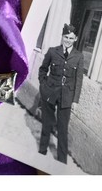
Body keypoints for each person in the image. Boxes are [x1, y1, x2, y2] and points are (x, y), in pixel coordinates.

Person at [37, 23, 84, 164]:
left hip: (66, 97)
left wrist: (75, 100)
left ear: (75, 39)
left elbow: (78, 79)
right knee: (47, 124)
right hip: (50, 92)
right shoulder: (52, 51)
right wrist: (43, 86)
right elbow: (43, 69)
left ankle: (62, 161)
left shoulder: (79, 56)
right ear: (62, 37)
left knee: (63, 129)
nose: (68, 40)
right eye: (66, 37)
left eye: (71, 38)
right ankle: (42, 152)